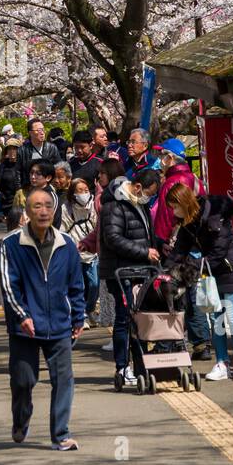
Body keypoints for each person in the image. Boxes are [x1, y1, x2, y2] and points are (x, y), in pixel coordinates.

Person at [0, 187, 85, 449]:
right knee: (23, 380)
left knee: (64, 380)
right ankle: (21, 419)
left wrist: (78, 317)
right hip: (25, 327)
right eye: (37, 206)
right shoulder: (11, 244)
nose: (43, 211)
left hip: (59, 324)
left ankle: (61, 435)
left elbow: (76, 284)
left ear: (54, 210)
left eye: (48, 205)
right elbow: (8, 285)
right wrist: (22, 315)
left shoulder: (66, 244)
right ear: (27, 212)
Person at [167, 184, 233, 380]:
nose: (173, 211)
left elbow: (219, 250)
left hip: (231, 270)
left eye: (174, 206)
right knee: (216, 319)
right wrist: (166, 270)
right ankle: (221, 363)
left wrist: (193, 265)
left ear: (184, 202)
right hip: (211, 273)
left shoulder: (215, 214)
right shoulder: (188, 222)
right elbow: (180, 249)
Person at [99, 167, 160, 390]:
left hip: (140, 271)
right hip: (120, 271)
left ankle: (140, 367)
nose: (149, 198)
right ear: (136, 187)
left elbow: (147, 235)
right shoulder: (114, 206)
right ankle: (122, 367)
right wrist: (144, 252)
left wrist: (158, 248)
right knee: (124, 318)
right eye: (149, 193)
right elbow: (113, 238)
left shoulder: (139, 204)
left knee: (139, 319)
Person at [60, 178, 99, 325]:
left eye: (86, 190)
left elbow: (97, 225)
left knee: (94, 284)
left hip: (92, 252)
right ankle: (80, 312)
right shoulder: (66, 209)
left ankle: (89, 309)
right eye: (80, 191)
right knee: (79, 286)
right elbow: (62, 231)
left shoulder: (94, 205)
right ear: (73, 194)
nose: (84, 194)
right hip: (75, 253)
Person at [151, 137, 202, 244]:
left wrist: (160, 242)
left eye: (161, 154)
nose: (159, 158)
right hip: (194, 236)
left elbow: (165, 218)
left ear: (169, 158)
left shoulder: (171, 183)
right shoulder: (192, 176)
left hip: (176, 242)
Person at [17, 117, 60, 187]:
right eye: (38, 130)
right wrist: (19, 189)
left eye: (43, 130)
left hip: (47, 186)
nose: (42, 133)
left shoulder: (52, 148)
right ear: (30, 133)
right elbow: (18, 172)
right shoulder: (22, 150)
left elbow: (58, 167)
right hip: (28, 187)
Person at [0, 137, 22, 219]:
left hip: (20, 201)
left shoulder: (23, 164)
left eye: (14, 149)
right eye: (9, 149)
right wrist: (1, 194)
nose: (12, 151)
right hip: (6, 201)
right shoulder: (3, 165)